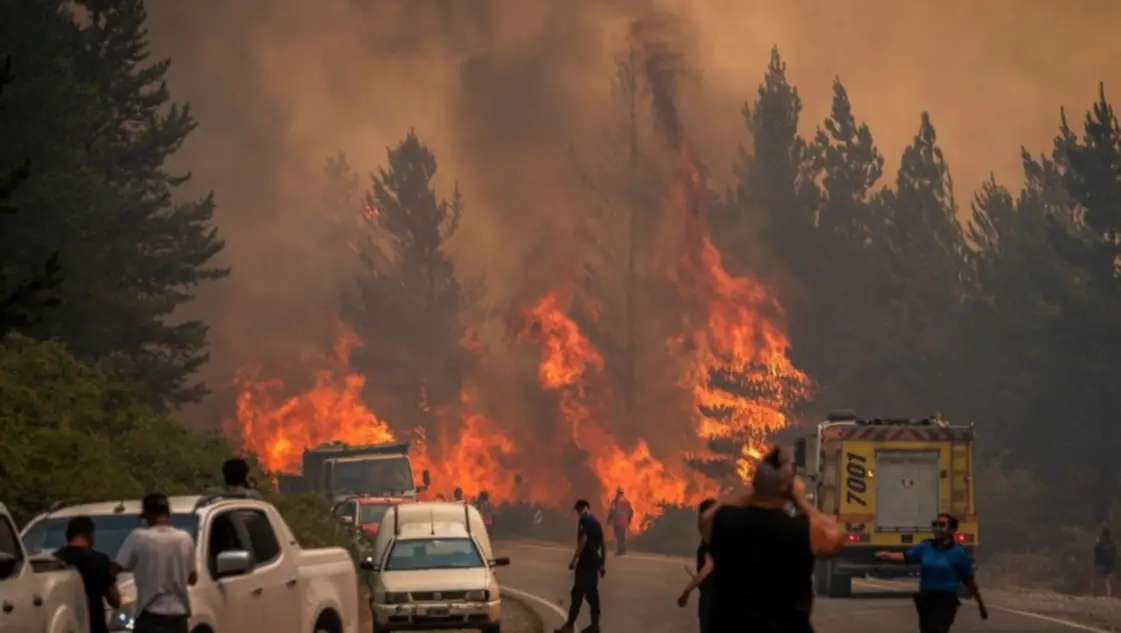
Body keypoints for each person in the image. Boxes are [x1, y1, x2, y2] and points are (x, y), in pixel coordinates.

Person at [700, 447, 844, 633]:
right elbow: (836, 538)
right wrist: (801, 501)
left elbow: (704, 522)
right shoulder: (803, 530)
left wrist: (744, 494)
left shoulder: (726, 522)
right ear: (788, 490)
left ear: (755, 485)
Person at [875, 514, 988, 633]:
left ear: (952, 530)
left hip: (945, 600)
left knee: (938, 629)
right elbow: (907, 557)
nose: (937, 528)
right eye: (935, 525)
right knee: (926, 630)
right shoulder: (925, 547)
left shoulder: (958, 553)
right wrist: (888, 555)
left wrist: (981, 605)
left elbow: (969, 581)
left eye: (942, 525)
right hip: (926, 599)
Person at [114, 493, 198, 633]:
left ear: (147, 515)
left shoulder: (138, 537)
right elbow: (193, 578)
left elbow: (115, 568)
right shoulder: (185, 538)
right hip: (178, 618)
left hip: (151, 616)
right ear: (168, 514)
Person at [55, 516, 121, 633]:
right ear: (91, 535)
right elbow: (115, 600)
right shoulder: (100, 560)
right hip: (95, 627)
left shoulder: (55, 560)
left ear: (68, 535)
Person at [555, 499, 606, 633]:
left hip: (586, 561)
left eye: (577, 510)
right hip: (594, 560)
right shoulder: (596, 522)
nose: (577, 513)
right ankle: (595, 626)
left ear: (582, 507)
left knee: (577, 593)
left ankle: (569, 626)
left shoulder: (585, 520)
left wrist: (574, 560)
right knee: (592, 594)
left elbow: (583, 541)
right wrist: (602, 564)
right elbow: (603, 544)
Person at [677, 498, 717, 633]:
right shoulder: (711, 538)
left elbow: (708, 567)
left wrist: (687, 590)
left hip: (712, 597)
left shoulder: (713, 540)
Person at [606, 488, 633, 555]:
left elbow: (612, 510)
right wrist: (629, 519)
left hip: (617, 521)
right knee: (622, 535)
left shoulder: (615, 501)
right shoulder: (626, 501)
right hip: (624, 521)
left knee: (618, 535)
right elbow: (631, 511)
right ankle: (622, 549)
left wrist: (609, 519)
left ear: (617, 493)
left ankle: (620, 549)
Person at [1093, 526, 1115, 598]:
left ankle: (1095, 594)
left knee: (1096, 578)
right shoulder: (1112, 544)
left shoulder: (1100, 544)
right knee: (1107, 582)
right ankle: (1108, 596)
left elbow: (1096, 553)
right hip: (1110, 567)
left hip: (1101, 565)